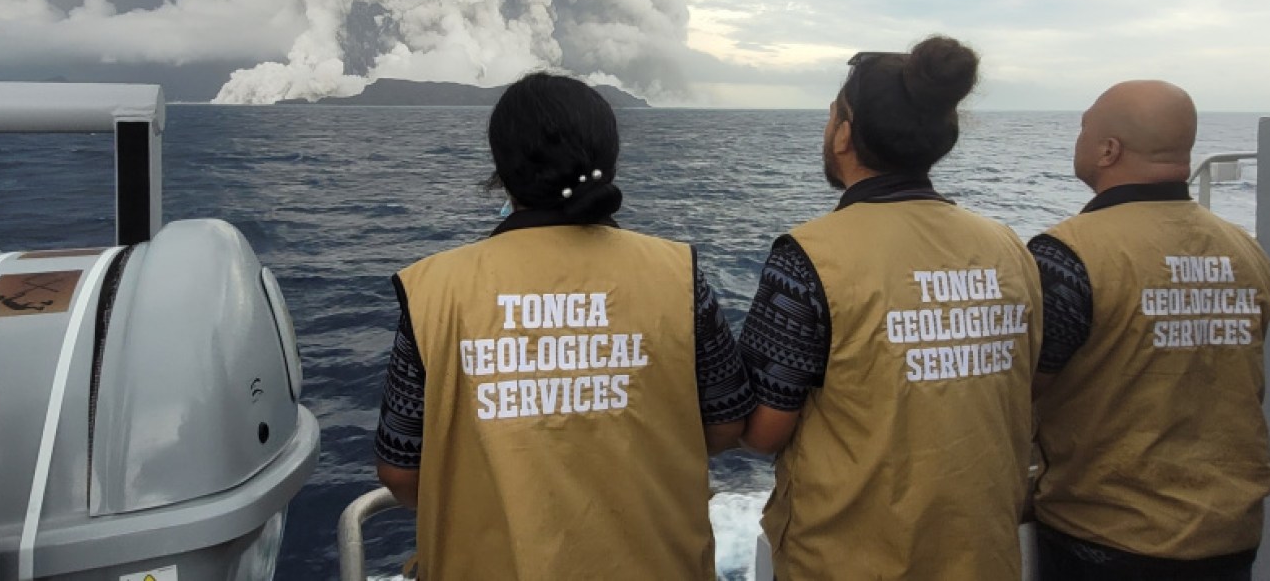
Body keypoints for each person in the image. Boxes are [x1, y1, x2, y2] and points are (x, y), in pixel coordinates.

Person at [373, 71, 755, 580]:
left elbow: (401, 473)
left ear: (502, 170)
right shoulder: (677, 275)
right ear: (611, 160)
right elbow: (728, 423)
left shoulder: (434, 290)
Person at [738, 36, 1042, 580]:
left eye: (831, 116)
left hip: (847, 561)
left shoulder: (809, 258)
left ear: (845, 135)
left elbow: (764, 432)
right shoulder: (1010, 249)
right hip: (983, 556)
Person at [1030, 80, 1270, 580]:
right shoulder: (1246, 251)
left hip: (1105, 536)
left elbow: (1024, 388)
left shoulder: (1068, 254)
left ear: (1109, 149)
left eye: (1082, 129)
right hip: (1230, 536)